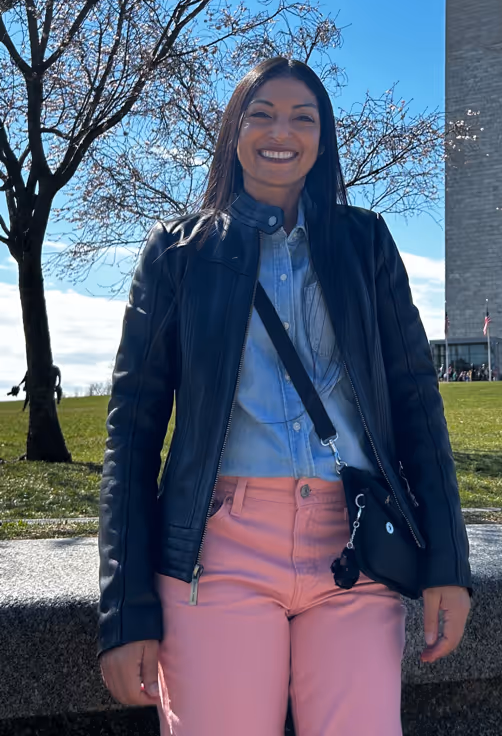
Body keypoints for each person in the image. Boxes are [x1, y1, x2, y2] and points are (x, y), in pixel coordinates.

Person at [97, 57, 472, 736]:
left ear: (322, 139)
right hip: (220, 549)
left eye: (304, 117)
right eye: (262, 112)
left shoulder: (366, 243)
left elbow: (416, 399)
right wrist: (124, 607)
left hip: (354, 543)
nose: (282, 130)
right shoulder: (177, 253)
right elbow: (133, 430)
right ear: (233, 129)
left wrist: (448, 560)